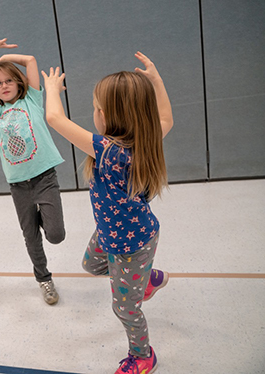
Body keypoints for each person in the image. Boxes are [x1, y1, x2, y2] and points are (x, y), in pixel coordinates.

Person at [41, 51, 172, 374]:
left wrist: (52, 91)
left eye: (96, 109)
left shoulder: (111, 152)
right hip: (112, 233)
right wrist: (156, 80)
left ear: (108, 115)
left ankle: (143, 356)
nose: (94, 114)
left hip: (132, 245)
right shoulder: (144, 138)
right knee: (91, 263)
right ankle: (147, 281)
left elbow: (55, 119)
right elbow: (167, 119)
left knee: (125, 308)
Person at [0, 39, 66, 305]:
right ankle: (44, 279)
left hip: (45, 177)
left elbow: (31, 61)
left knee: (56, 235)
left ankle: (41, 215)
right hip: (19, 185)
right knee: (31, 237)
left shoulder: (32, 99)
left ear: (19, 82)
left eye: (8, 81)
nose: (3, 86)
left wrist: (5, 59)